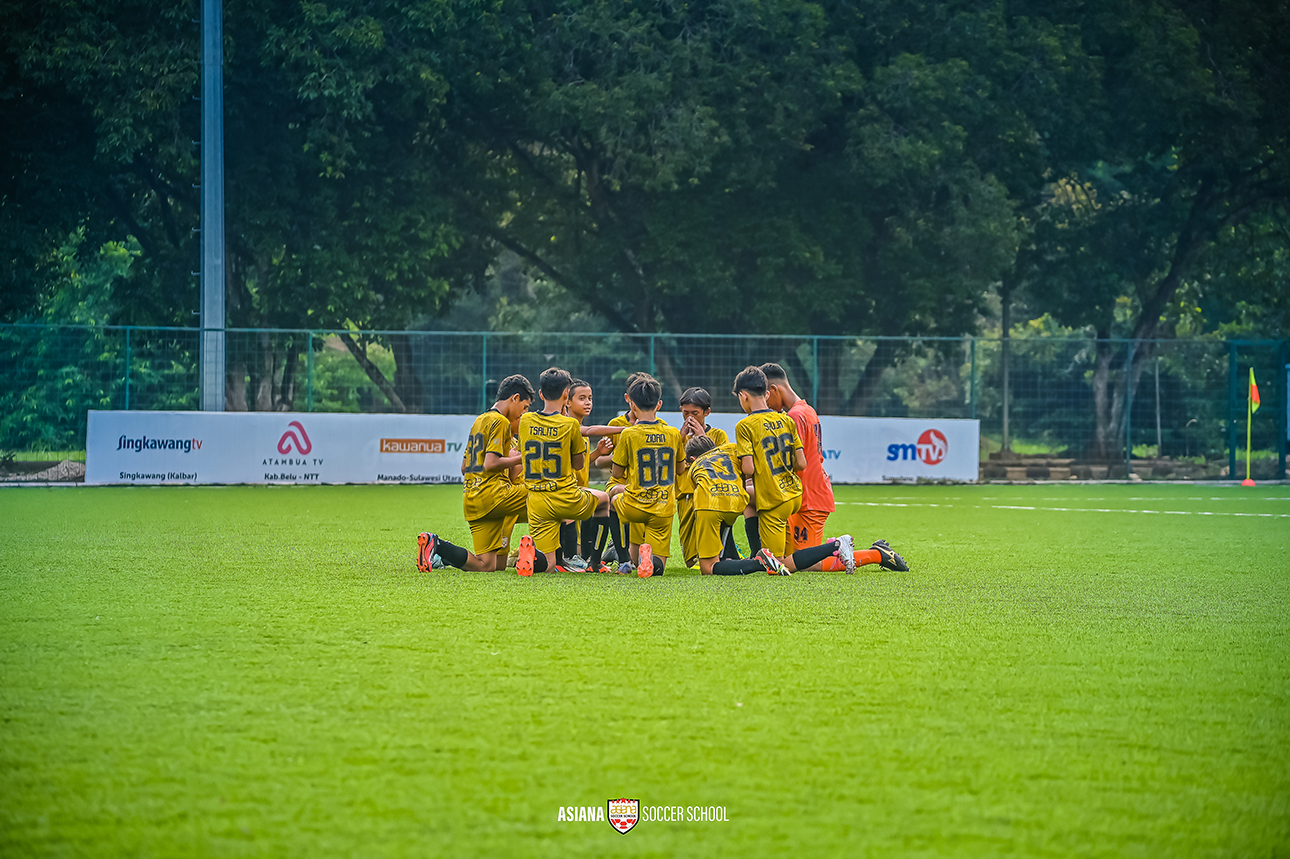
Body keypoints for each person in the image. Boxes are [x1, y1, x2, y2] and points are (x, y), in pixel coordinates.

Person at [761, 362, 910, 574]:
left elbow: (795, 462)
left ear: (774, 390)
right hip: (807, 495)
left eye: (765, 395)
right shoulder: (805, 409)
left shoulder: (794, 416)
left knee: (804, 564)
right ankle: (833, 547)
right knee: (786, 560)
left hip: (810, 499)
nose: (765, 403)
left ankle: (876, 554)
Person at [731, 365, 855, 575]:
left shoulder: (758, 422)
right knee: (790, 559)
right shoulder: (797, 414)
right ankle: (757, 554)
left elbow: (749, 468)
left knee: (789, 564)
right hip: (797, 493)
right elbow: (801, 462)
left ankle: (860, 550)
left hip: (801, 496)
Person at [418, 374, 534, 573]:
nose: (523, 414)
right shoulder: (500, 421)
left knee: (488, 566)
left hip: (473, 498)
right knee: (549, 494)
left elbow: (464, 467)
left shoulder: (479, 420)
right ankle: (553, 559)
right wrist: (523, 458)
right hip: (494, 495)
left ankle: (437, 545)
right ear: (514, 398)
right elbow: (491, 463)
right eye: (525, 407)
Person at [515, 368, 615, 576]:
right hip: (564, 496)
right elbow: (579, 465)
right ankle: (594, 562)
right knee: (604, 499)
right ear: (566, 394)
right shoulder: (570, 424)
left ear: (541, 394)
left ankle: (533, 557)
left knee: (549, 564)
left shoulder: (525, 421)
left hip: (537, 500)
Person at [607, 374, 686, 578]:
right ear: (659, 404)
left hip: (635, 504)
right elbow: (679, 470)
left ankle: (625, 560)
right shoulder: (673, 433)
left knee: (613, 497)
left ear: (632, 405)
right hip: (663, 507)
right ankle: (648, 559)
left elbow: (616, 473)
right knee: (657, 569)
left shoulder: (628, 433)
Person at [683, 435, 780, 575]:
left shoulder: (694, 467)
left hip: (709, 504)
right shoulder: (731, 449)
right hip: (737, 501)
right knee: (724, 526)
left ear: (692, 459)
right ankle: (735, 556)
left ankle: (758, 561)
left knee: (708, 568)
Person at [561, 378, 624, 571]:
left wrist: (597, 454)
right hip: (565, 491)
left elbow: (577, 464)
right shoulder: (569, 425)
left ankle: (588, 559)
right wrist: (628, 428)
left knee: (596, 503)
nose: (588, 402)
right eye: (582, 398)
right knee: (600, 501)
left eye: (590, 398)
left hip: (576, 488)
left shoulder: (577, 427)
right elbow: (590, 430)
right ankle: (577, 558)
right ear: (567, 401)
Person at [675, 387, 737, 567]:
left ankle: (726, 557)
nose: (689, 418)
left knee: (714, 539)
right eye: (685, 413)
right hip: (685, 495)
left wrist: (703, 439)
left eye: (695, 413)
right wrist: (680, 439)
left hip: (712, 495)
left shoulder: (717, 435)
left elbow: (723, 465)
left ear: (707, 412)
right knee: (690, 556)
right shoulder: (678, 437)